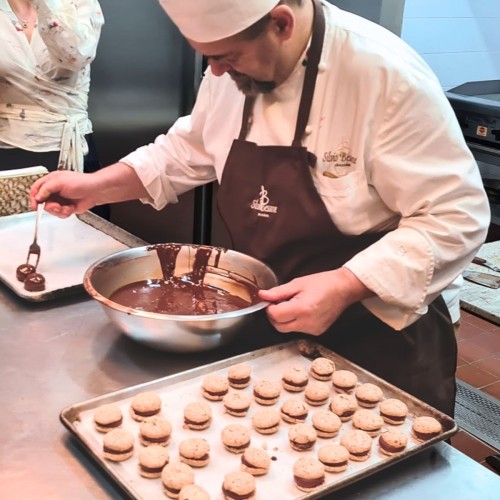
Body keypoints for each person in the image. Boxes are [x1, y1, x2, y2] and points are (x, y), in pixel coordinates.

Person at [30, 0, 490, 416]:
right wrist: (95, 186)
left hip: (378, 334)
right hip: (270, 321)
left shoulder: (384, 75)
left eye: (224, 57)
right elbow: (188, 149)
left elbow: (456, 215)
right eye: (206, 56)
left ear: (281, 23)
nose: (213, 73)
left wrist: (346, 285)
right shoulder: (232, 68)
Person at [0, 0, 109, 218]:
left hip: (71, 151)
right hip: (6, 152)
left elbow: (75, 56)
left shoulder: (77, 4)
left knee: (78, 244)